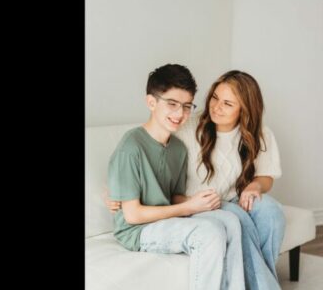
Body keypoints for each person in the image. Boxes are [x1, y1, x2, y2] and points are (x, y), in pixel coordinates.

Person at [109, 70, 285, 290]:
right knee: (223, 225)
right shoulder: (153, 138)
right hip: (158, 219)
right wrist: (119, 193)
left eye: (186, 106)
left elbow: (171, 193)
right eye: (215, 98)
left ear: (244, 110)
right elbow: (133, 209)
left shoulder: (175, 148)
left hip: (195, 208)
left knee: (256, 215)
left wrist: (253, 186)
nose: (180, 114)